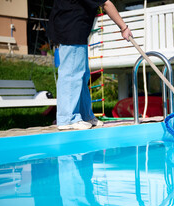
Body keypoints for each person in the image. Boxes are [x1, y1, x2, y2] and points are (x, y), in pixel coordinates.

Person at [48, 0, 133, 130]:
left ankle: (85, 115)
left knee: (82, 75)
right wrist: (124, 27)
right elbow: (106, 4)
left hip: (76, 29)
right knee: (71, 74)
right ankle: (68, 118)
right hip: (71, 29)